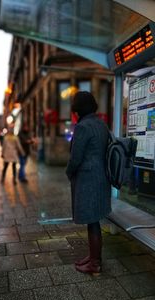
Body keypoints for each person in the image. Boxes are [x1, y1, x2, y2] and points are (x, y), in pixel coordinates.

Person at [66, 91, 111, 275]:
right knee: (94, 221)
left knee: (92, 222)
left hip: (88, 179)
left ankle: (95, 264)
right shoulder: (101, 124)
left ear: (78, 109)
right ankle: (93, 257)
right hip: (101, 177)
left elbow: (76, 158)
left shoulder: (82, 127)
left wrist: (69, 172)